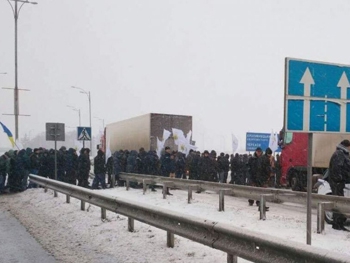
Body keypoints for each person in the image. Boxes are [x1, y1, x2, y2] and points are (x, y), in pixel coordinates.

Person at [328, 139, 350, 231]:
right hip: (337, 182)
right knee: (338, 202)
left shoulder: (341, 153)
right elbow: (337, 168)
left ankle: (339, 223)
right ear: (347, 146)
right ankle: (337, 224)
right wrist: (340, 179)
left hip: (338, 182)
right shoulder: (339, 154)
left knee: (339, 202)